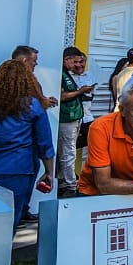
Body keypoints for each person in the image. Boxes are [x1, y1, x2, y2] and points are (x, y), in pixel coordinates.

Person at [0, 60, 56, 230]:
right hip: (16, 170)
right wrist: (49, 172)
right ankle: (2, 255)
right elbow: (45, 143)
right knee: (9, 219)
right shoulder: (32, 106)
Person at [57, 47, 93, 197]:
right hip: (67, 118)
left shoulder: (69, 75)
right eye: (74, 61)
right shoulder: (62, 74)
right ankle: (70, 184)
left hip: (76, 117)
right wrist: (80, 92)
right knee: (68, 151)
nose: (77, 65)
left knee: (69, 150)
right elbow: (62, 96)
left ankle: (65, 180)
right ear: (67, 59)